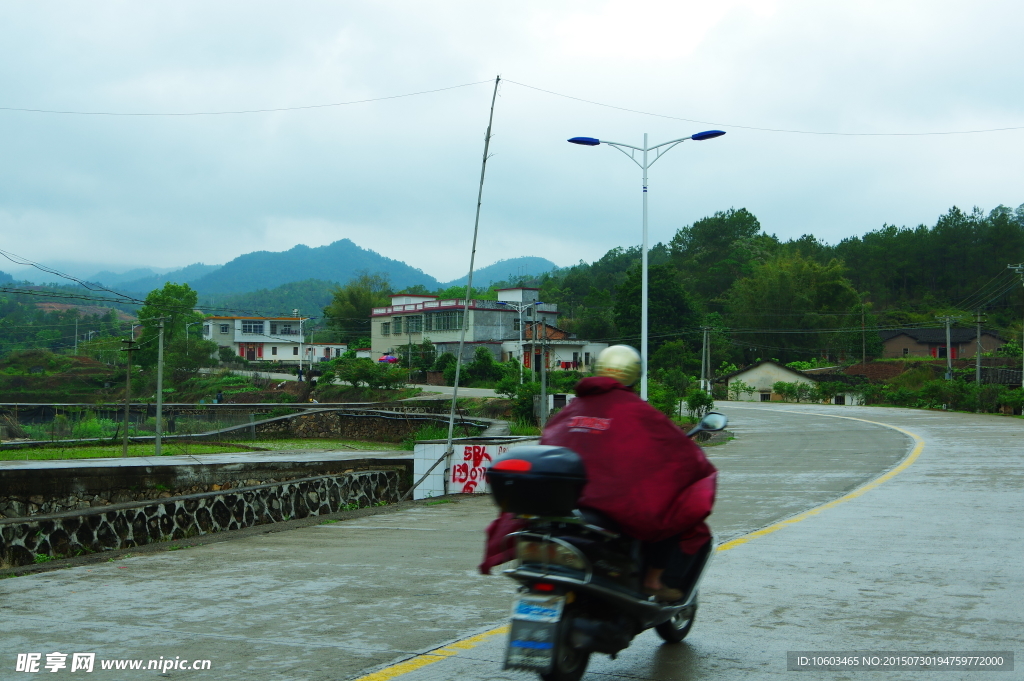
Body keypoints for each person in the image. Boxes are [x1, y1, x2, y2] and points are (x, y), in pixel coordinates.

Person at [538, 344, 717, 602]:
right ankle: (653, 580)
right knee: (670, 515)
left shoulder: (572, 410)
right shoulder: (637, 411)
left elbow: (549, 444)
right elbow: (678, 451)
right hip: (613, 503)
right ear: (635, 374)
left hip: (566, 500)